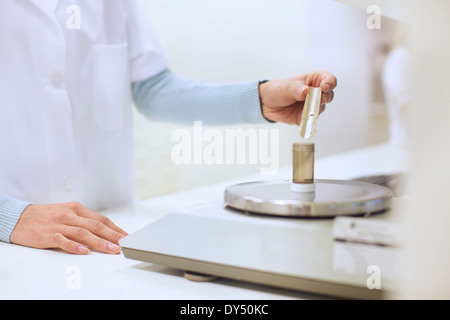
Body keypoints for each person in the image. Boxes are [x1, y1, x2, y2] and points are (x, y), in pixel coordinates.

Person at [0, 0, 336, 255]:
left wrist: (259, 99)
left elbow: (151, 89)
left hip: (107, 229)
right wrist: (10, 216)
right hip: (12, 247)